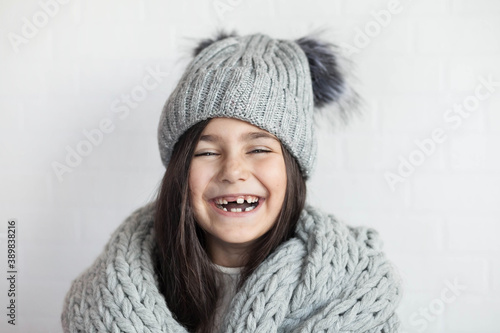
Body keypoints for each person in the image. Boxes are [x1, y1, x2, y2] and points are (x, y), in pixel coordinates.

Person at [61, 30, 402, 333]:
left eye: (258, 149)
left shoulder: (355, 287)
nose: (233, 171)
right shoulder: (104, 296)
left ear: (292, 168)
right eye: (207, 153)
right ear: (180, 172)